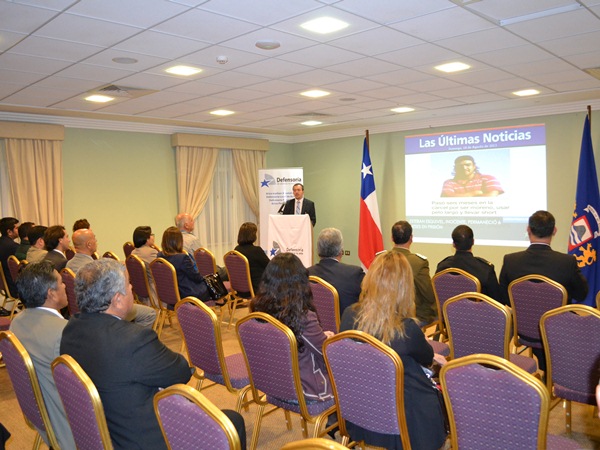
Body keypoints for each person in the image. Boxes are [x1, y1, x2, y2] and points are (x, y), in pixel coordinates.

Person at [59, 259, 193, 450]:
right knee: (231, 422)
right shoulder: (134, 339)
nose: (132, 288)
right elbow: (180, 372)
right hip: (144, 440)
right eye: (129, 284)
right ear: (118, 299)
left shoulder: (71, 330)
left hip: (101, 435)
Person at [340, 251, 447, 450]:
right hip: (404, 422)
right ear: (404, 287)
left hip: (359, 409)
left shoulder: (348, 315)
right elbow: (427, 358)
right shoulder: (406, 329)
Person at [499, 210, 588, 371]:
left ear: (528, 230)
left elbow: (504, 297)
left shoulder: (511, 261)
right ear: (554, 230)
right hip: (557, 331)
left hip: (523, 330)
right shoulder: (566, 263)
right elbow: (582, 294)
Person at [10, 261, 76, 449]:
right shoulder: (64, 333)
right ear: (51, 293)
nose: (65, 286)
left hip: (41, 416)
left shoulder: (18, 322)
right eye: (61, 282)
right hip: (68, 426)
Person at [251, 252, 333, 403]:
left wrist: (320, 335)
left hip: (271, 384)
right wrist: (328, 339)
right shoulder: (303, 316)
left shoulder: (258, 308)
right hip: (304, 390)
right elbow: (326, 354)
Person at [66, 228, 156, 328]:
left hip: (82, 313)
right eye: (94, 239)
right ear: (89, 244)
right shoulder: (91, 269)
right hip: (104, 313)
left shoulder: (69, 264)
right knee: (149, 313)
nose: (96, 241)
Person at [308, 228, 364, 315]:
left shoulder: (306, 274)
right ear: (341, 251)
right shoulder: (355, 274)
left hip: (315, 327)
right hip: (344, 327)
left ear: (318, 251)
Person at [436, 224, 501, 301]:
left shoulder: (442, 268)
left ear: (453, 244)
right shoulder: (486, 270)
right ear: (473, 242)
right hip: (477, 313)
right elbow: (497, 301)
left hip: (448, 312)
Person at [391, 221, 437, 326]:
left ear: (392, 238)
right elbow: (429, 295)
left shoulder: (380, 259)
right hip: (411, 317)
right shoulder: (419, 262)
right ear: (411, 238)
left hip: (385, 314)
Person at [157, 226, 210, 302]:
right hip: (187, 294)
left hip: (170, 294)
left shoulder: (160, 256)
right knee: (212, 285)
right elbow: (196, 277)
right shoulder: (182, 258)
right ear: (179, 241)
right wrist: (205, 279)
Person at [234, 222, 270, 295]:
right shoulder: (256, 251)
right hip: (257, 288)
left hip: (240, 289)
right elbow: (270, 266)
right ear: (253, 235)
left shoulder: (236, 250)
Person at [0, 217, 19, 308]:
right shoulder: (13, 247)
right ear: (9, 231)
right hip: (13, 286)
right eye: (16, 228)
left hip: (4, 285)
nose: (18, 230)